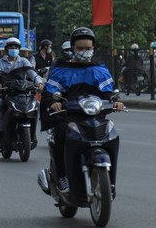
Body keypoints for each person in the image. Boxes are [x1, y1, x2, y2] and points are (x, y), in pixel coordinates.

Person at [41, 27, 124, 193]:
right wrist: (53, 103)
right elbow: (49, 93)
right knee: (61, 132)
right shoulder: (61, 70)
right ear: (72, 49)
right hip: (69, 116)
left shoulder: (99, 69)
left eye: (88, 48)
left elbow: (109, 92)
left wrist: (116, 101)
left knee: (111, 134)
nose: (84, 52)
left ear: (93, 48)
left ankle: (111, 182)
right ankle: (63, 177)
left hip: (95, 115)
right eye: (80, 48)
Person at [0, 37, 44, 143]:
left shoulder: (24, 61)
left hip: (22, 93)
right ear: (7, 49)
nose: (14, 49)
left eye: (16, 47)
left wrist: (39, 82)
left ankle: (33, 135)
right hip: (6, 92)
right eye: (11, 47)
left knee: (36, 104)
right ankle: (1, 132)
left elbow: (32, 74)